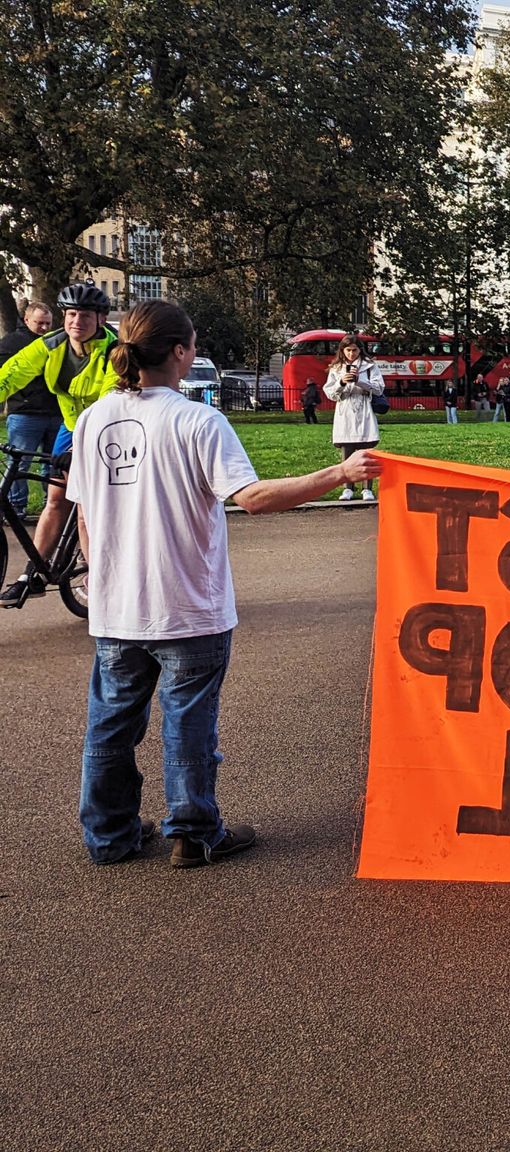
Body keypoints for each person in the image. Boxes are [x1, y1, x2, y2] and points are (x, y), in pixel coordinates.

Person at [68, 299, 383, 866]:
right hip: (188, 603)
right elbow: (253, 498)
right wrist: (339, 471)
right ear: (181, 352)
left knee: (110, 726)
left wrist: (102, 577)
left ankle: (109, 835)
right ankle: (192, 832)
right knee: (188, 724)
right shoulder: (197, 421)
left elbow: (85, 514)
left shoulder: (93, 418)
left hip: (116, 607)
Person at [0, 283, 120, 608]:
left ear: (101, 319)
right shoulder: (50, 345)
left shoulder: (114, 351)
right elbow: (10, 375)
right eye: (71, 314)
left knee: (84, 510)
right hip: (70, 428)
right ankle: (33, 575)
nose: (76, 321)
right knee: (55, 499)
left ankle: (101, 587)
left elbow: (109, 403)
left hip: (105, 431)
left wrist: (81, 449)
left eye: (85, 315)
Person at [2, 300, 59, 516]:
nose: (44, 327)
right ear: (27, 320)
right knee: (18, 464)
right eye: (39, 323)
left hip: (56, 412)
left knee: (53, 464)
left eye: (48, 323)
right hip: (25, 413)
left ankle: (51, 505)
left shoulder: (56, 342)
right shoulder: (12, 343)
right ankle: (15, 507)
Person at [323, 337, 385, 501]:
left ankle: (367, 488)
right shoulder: (336, 368)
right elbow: (330, 393)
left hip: (364, 410)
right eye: (348, 350)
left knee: (366, 450)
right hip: (345, 411)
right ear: (342, 350)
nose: (351, 354)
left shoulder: (370, 366)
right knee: (347, 451)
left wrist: (360, 381)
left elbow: (379, 388)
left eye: (354, 350)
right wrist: (341, 382)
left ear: (360, 350)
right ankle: (348, 488)